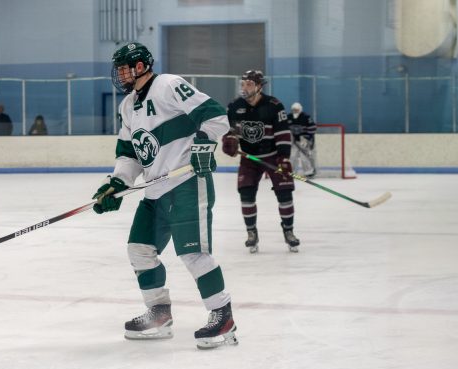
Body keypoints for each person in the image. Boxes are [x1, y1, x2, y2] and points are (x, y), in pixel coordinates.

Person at [92, 42, 237, 349]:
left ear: (141, 66)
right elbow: (129, 154)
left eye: (123, 68)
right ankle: (159, 313)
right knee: (139, 250)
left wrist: (202, 145)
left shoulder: (169, 84)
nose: (119, 75)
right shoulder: (127, 106)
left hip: (185, 182)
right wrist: (116, 184)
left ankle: (222, 316)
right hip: (155, 191)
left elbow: (215, 116)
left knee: (193, 252)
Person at [221, 70, 300, 253]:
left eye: (249, 84)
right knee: (246, 194)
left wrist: (284, 158)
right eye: (243, 84)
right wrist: (229, 141)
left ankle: (289, 232)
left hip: (273, 156)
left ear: (259, 86)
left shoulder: (274, 105)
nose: (244, 88)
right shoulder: (234, 106)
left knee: (285, 194)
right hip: (249, 159)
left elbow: (282, 132)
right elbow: (230, 131)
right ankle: (251, 233)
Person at [288, 102, 317, 177]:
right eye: (293, 110)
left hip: (304, 141)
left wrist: (307, 138)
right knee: (292, 156)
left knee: (304, 157)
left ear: (300, 109)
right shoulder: (289, 117)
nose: (295, 111)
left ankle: (309, 172)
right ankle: (291, 172)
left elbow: (313, 128)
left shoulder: (306, 117)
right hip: (294, 141)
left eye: (296, 109)